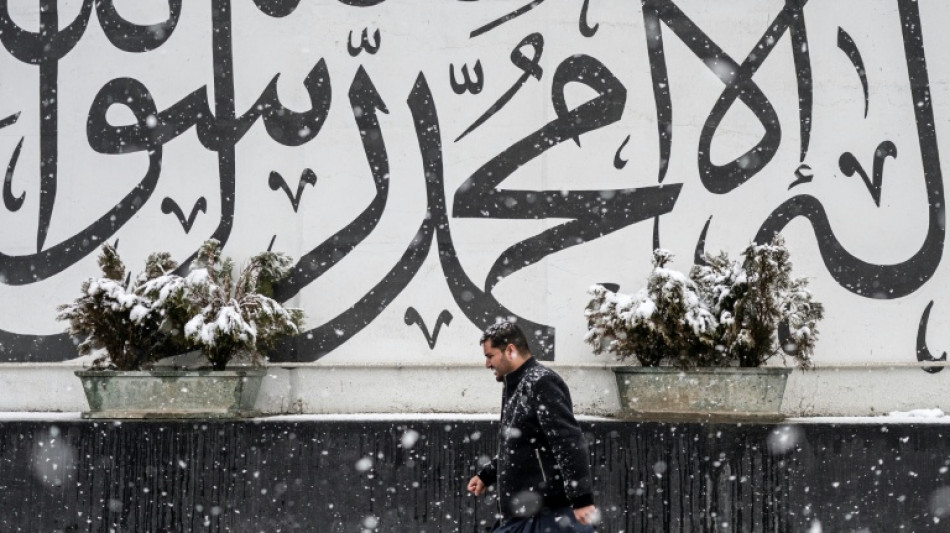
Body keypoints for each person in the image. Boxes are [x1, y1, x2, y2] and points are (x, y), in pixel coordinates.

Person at [466, 321, 598, 532]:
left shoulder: (541, 382)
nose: (487, 364)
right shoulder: (516, 385)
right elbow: (520, 444)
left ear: (510, 350)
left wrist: (582, 499)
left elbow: (568, 442)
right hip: (524, 515)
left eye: (490, 356)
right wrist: (487, 474)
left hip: (546, 515)